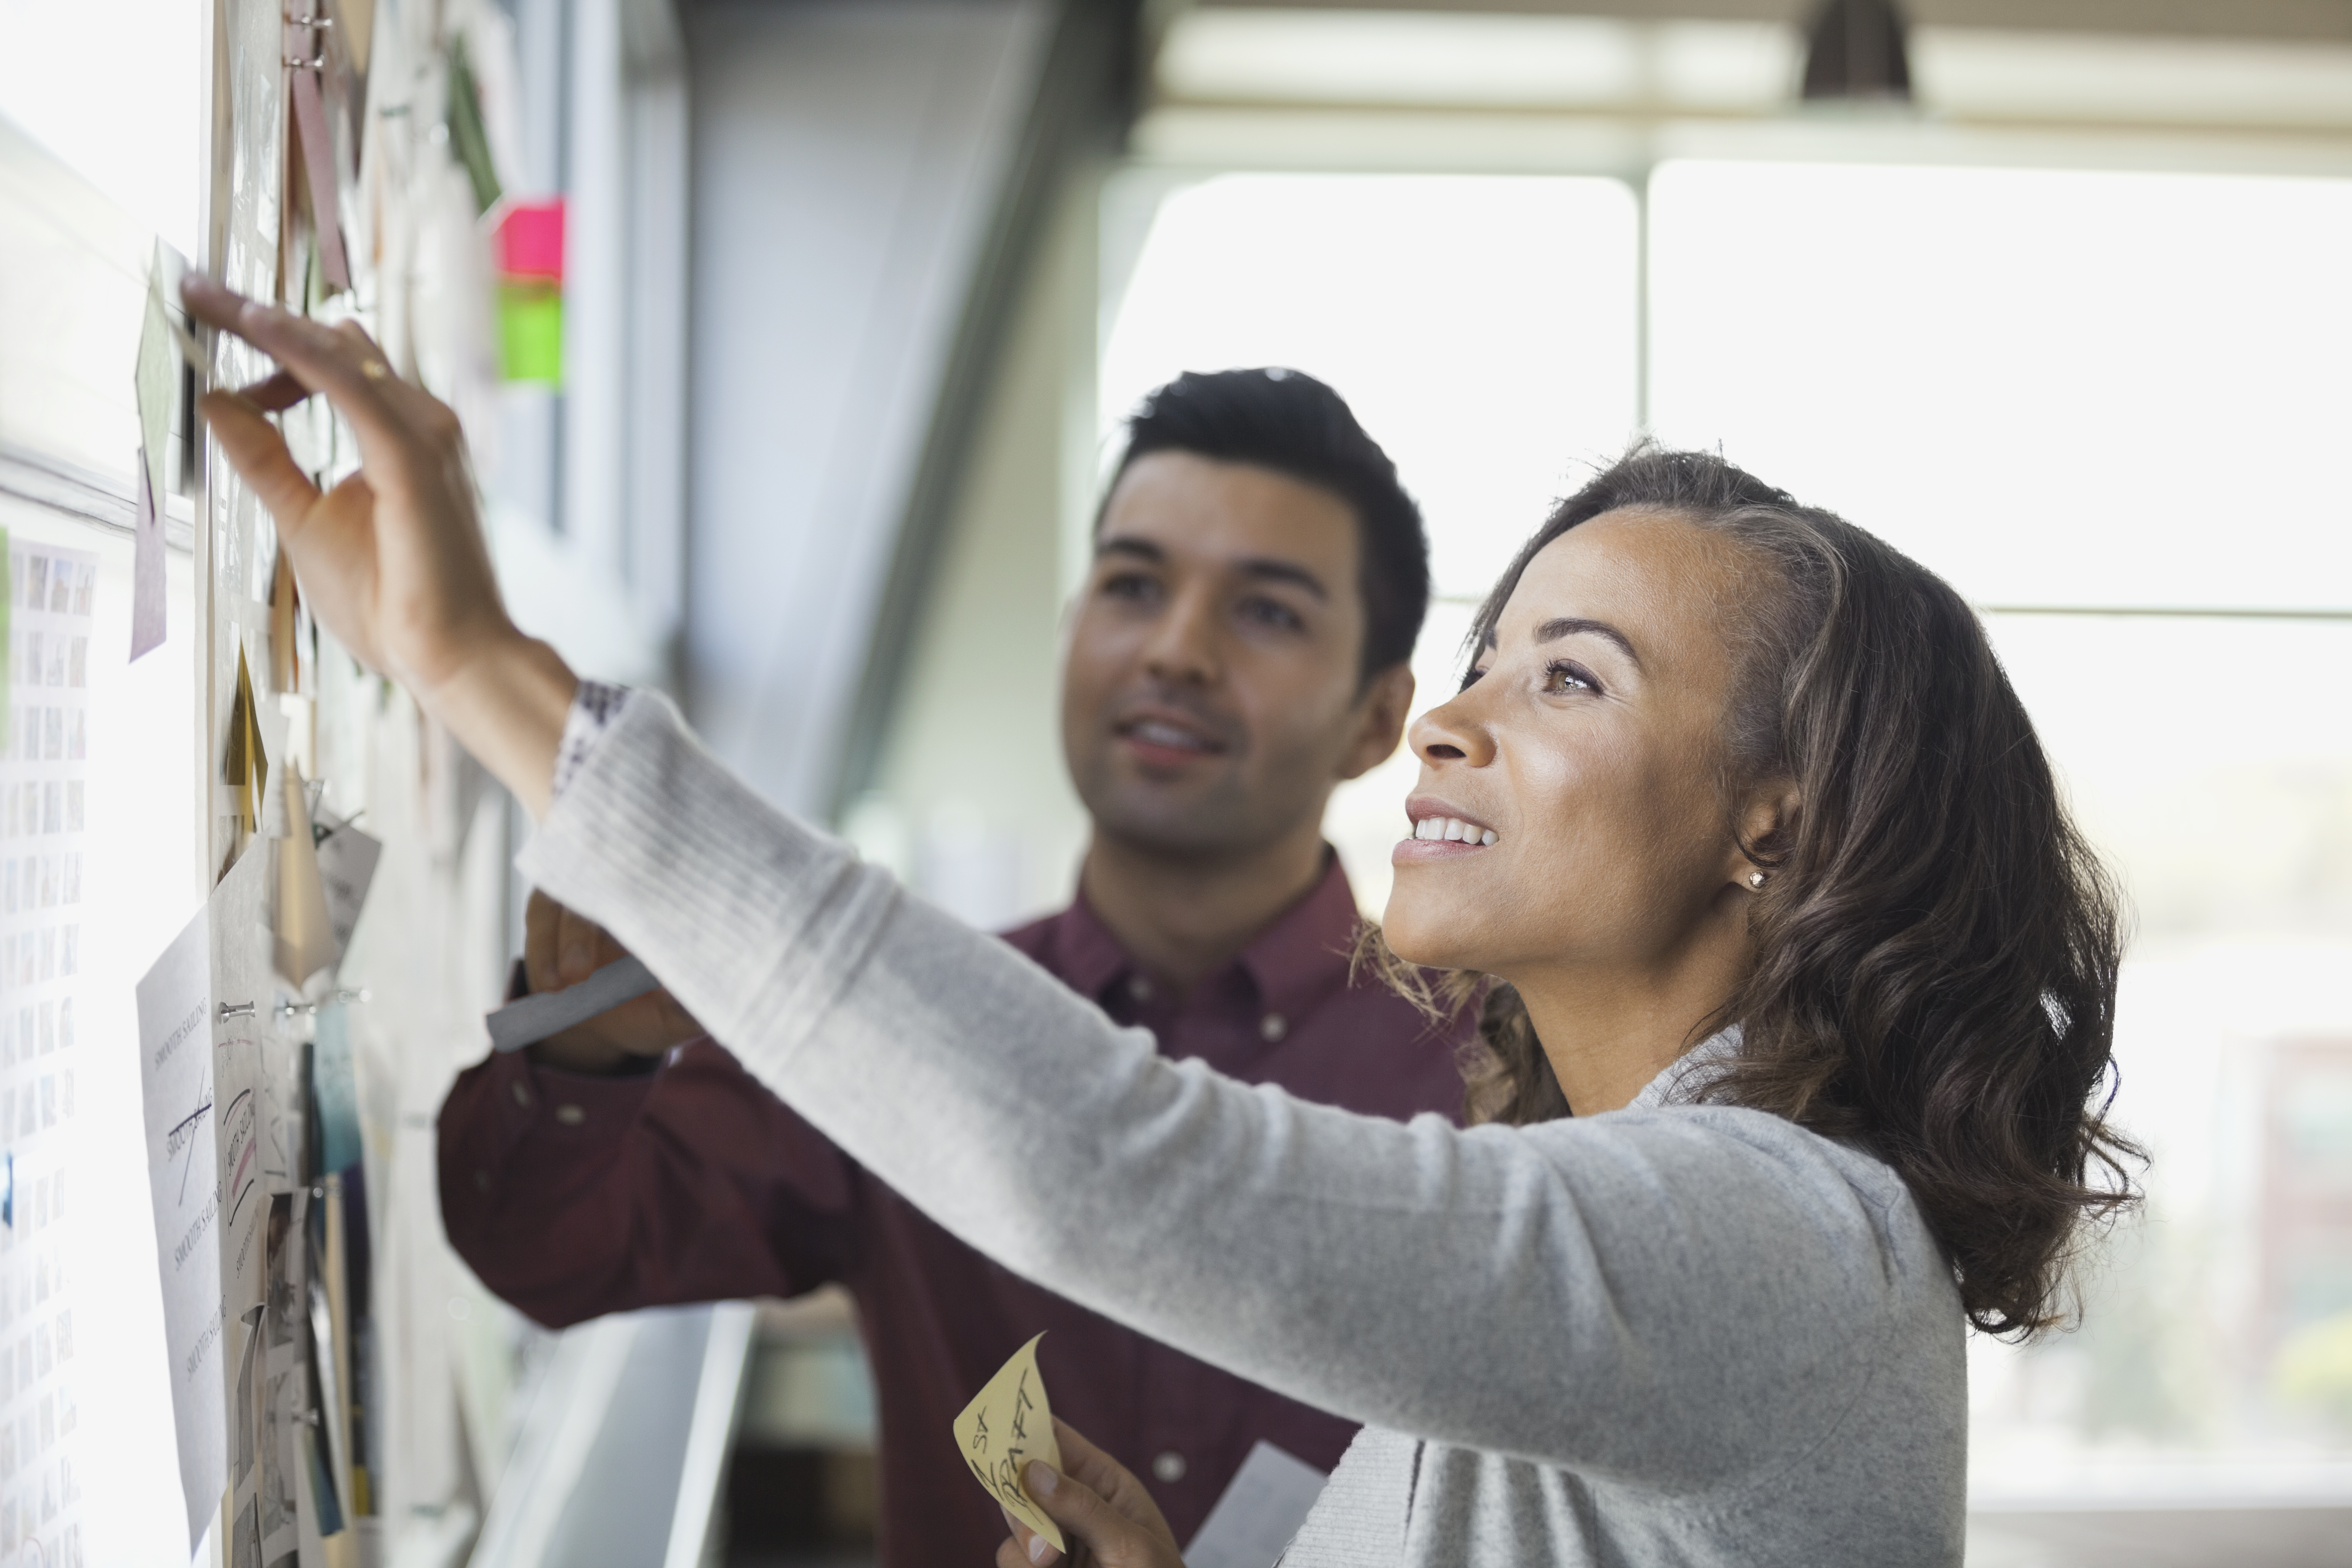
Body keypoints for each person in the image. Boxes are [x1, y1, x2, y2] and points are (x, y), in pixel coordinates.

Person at [188, 276, 2140, 1568]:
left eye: (1574, 679)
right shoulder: (1647, 1192)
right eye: (1489, 653)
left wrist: (480, 672)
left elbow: (1117, 1170)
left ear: (1772, 835)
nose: (1460, 713)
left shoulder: (1779, 1238)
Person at [435, 367, 1475, 1561]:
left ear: (1376, 716)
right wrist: (589, 1043)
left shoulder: (1491, 1080)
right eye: (1134, 585)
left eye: (1267, 613)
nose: (1177, 650)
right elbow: (544, 1251)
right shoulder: (913, 1023)